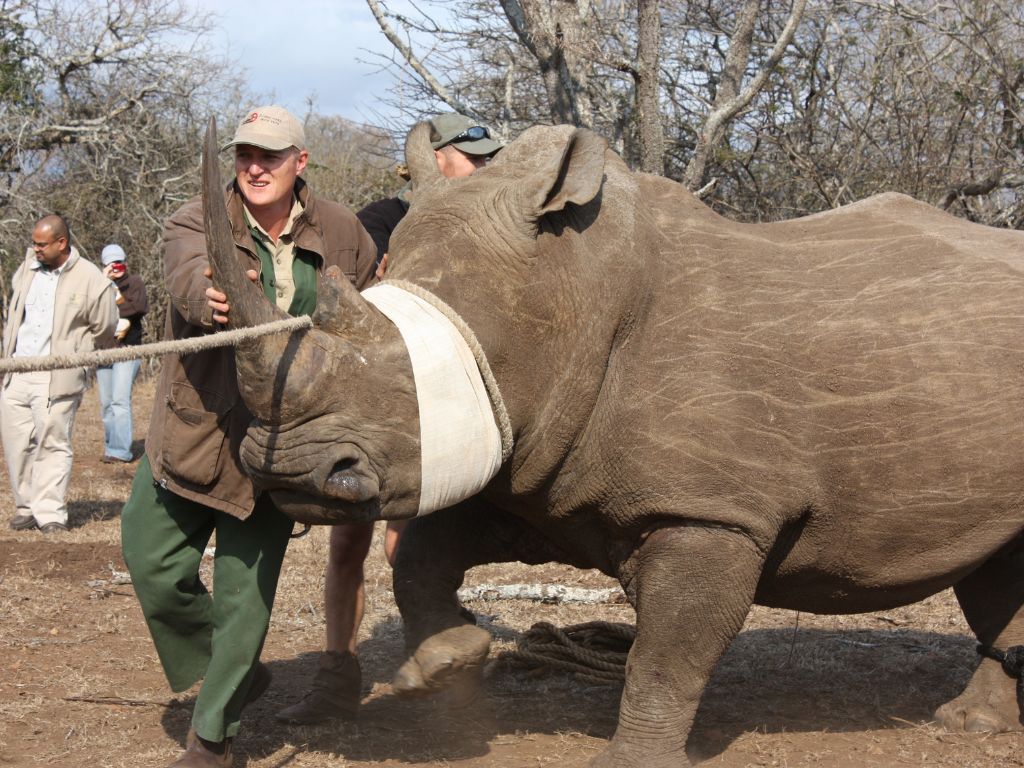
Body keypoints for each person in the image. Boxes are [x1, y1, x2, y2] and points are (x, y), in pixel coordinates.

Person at [120, 105, 376, 768]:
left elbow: (370, 302)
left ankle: (213, 739)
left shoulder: (342, 230)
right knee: (151, 562)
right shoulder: (194, 218)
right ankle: (230, 666)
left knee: (243, 596)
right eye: (244, 155)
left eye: (270, 155)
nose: (254, 168)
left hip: (277, 443)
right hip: (195, 431)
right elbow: (186, 277)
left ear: (301, 161)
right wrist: (211, 301)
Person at [275, 112, 502, 726]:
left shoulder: (486, 226)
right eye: (474, 157)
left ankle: (436, 654)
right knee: (351, 543)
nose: (485, 167)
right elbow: (347, 301)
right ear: (434, 159)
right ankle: (337, 679)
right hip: (375, 408)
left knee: (415, 541)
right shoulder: (379, 221)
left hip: (444, 405)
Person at [0, 215, 119, 533]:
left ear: (61, 243)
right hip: (17, 370)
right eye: (34, 243)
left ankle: (50, 512)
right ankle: (26, 506)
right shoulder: (27, 269)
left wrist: (78, 352)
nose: (35, 249)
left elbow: (105, 325)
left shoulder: (90, 278)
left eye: (41, 244)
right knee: (17, 444)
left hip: (57, 374)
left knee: (53, 442)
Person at [96, 243, 148, 463]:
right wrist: (103, 283)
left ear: (125, 262)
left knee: (120, 400)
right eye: (111, 264)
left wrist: (114, 297)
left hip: (128, 350)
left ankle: (121, 451)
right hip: (104, 350)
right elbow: (93, 311)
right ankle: (111, 447)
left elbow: (137, 308)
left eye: (119, 262)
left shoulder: (134, 283)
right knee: (107, 403)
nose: (116, 267)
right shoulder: (98, 285)